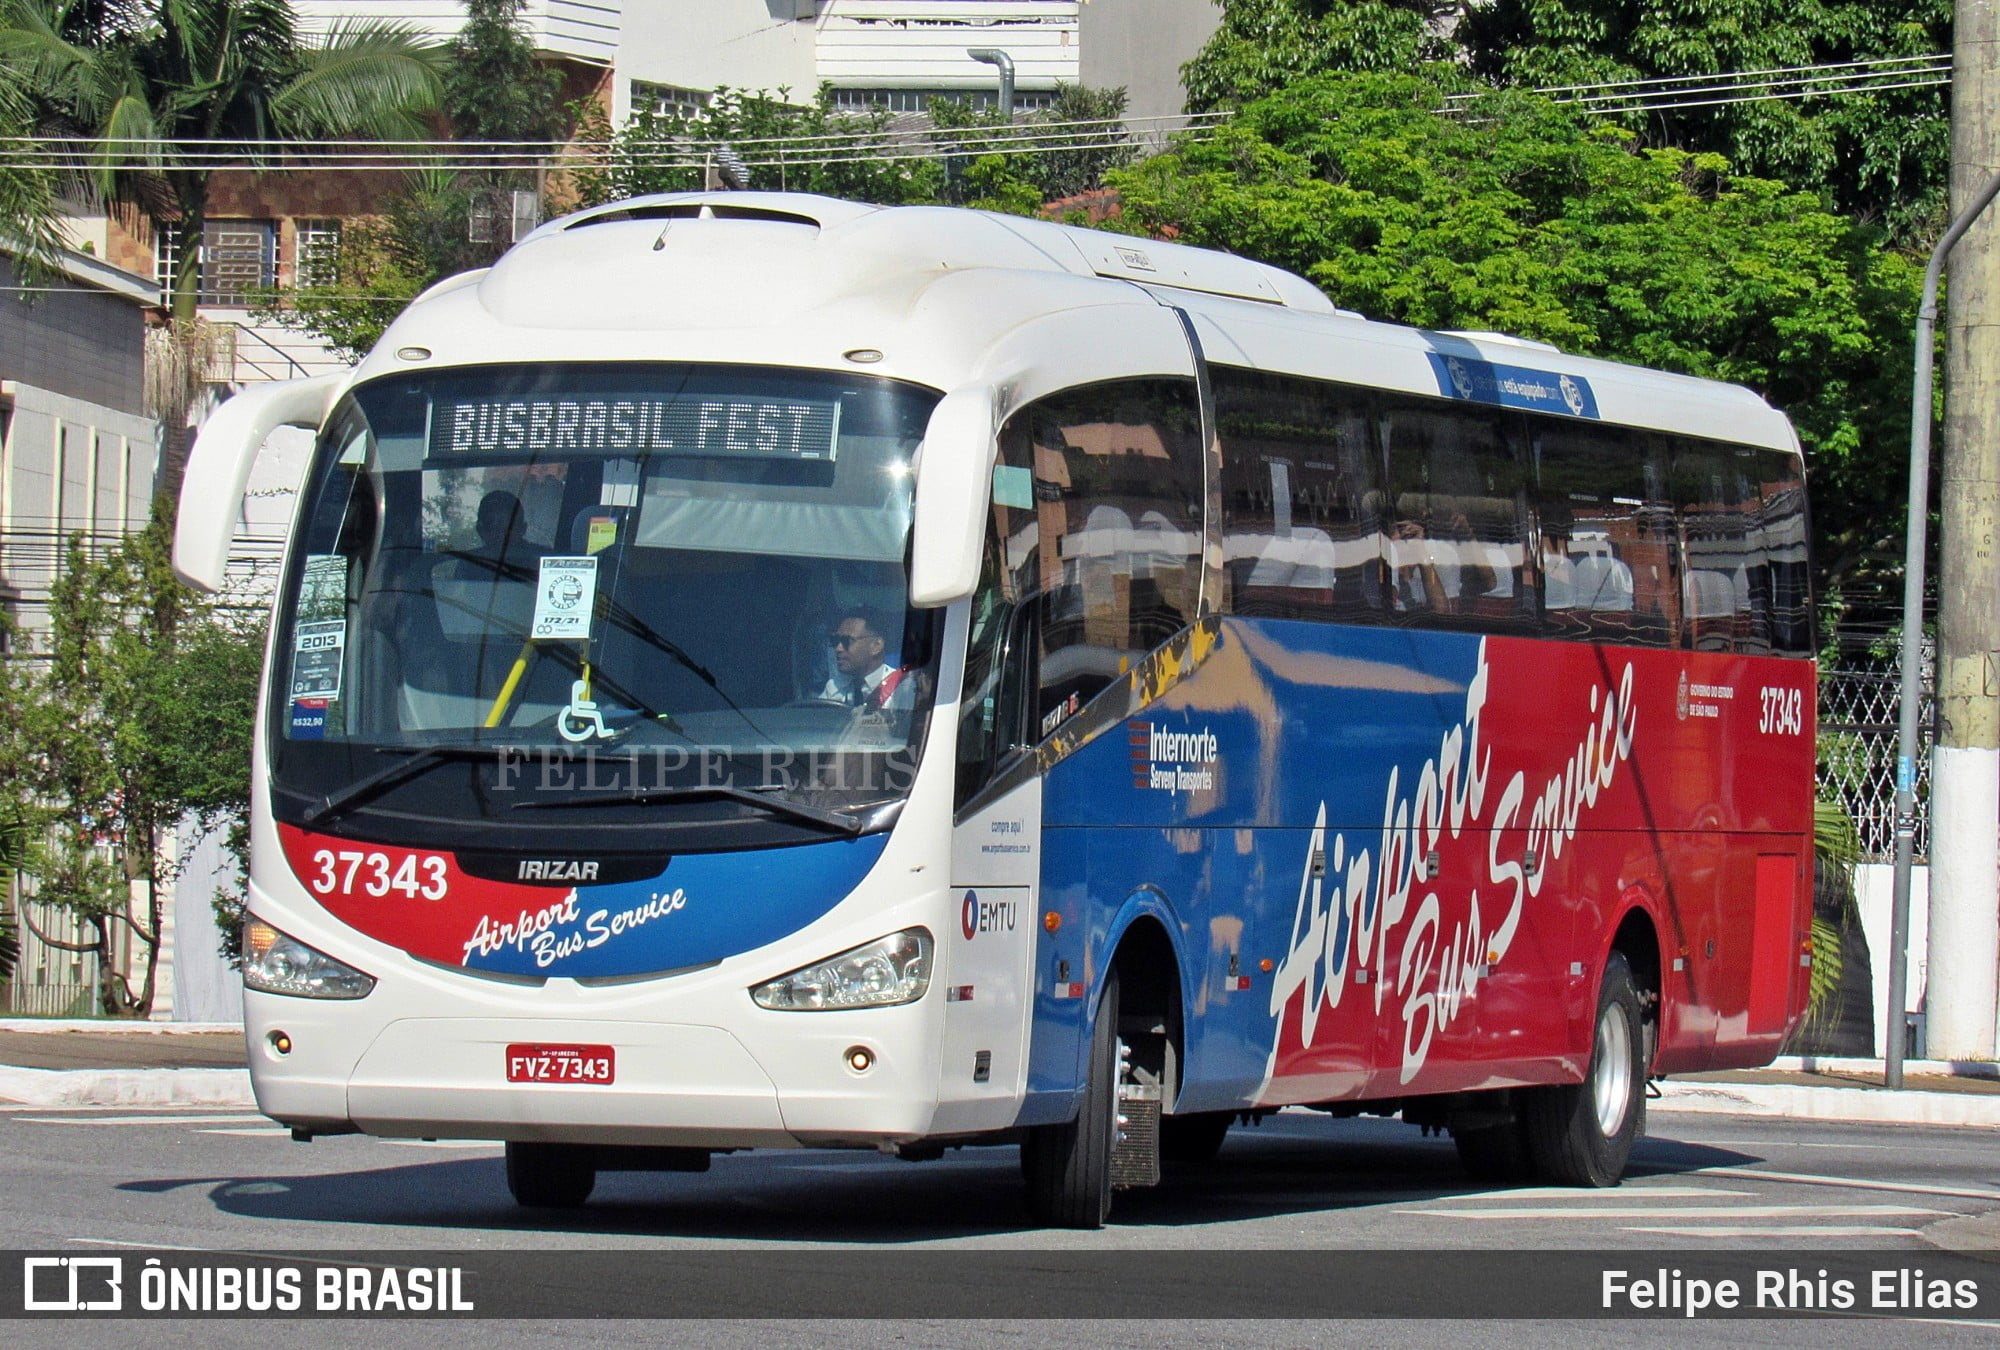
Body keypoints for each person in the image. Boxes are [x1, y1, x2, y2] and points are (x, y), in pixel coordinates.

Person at [819, 608, 914, 711]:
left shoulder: (901, 688)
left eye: (847, 641)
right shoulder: (834, 686)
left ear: (876, 645)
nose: (838, 648)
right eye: (835, 640)